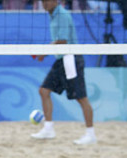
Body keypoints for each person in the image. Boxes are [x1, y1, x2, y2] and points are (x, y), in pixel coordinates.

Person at [31, 0, 97, 145]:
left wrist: (44, 52)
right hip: (61, 59)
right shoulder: (53, 15)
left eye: (48, 0)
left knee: (81, 98)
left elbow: (62, 41)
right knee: (44, 91)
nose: (45, 3)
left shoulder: (61, 15)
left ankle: (90, 134)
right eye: (43, 1)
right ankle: (48, 129)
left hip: (71, 59)